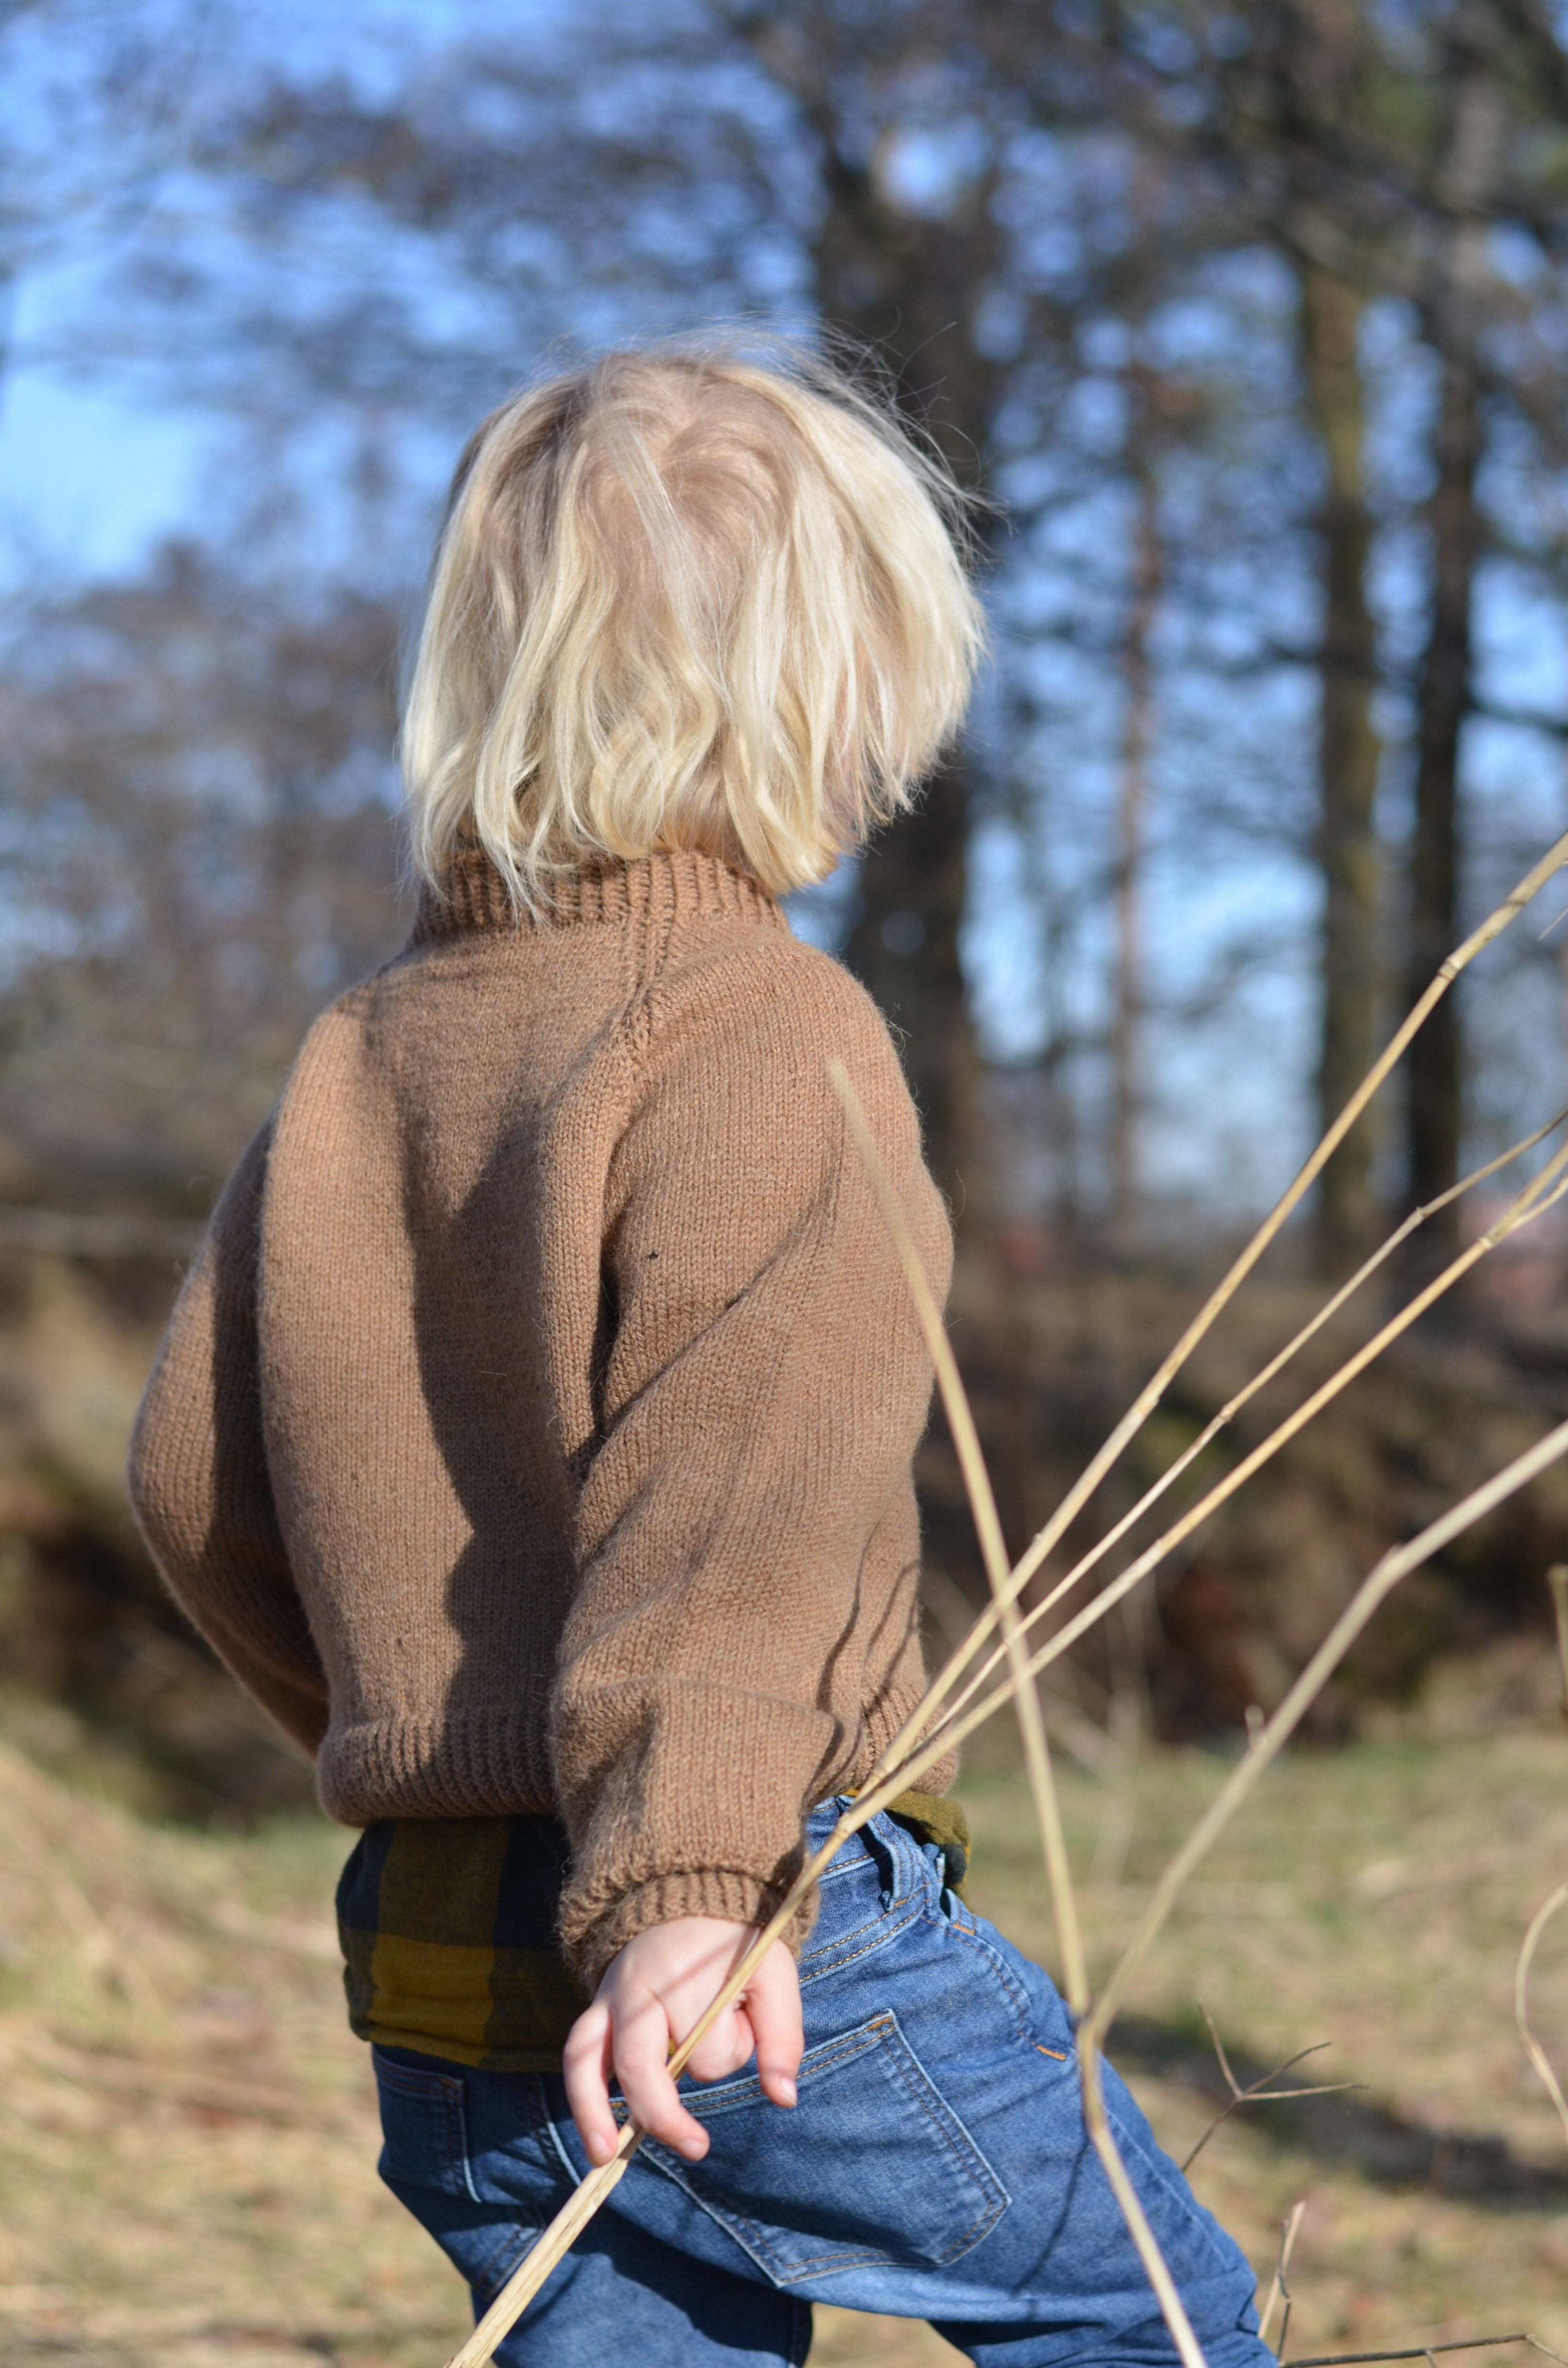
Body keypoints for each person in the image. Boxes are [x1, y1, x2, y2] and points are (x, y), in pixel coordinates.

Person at [129, 341, 1274, 2368]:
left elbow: (193, 1484)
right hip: (743, 1927)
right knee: (1151, 2316)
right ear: (816, 695)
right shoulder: (758, 1030)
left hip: (439, 1957)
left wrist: (432, 1736)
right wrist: (686, 1873)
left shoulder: (362, 1049)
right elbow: (738, 1504)